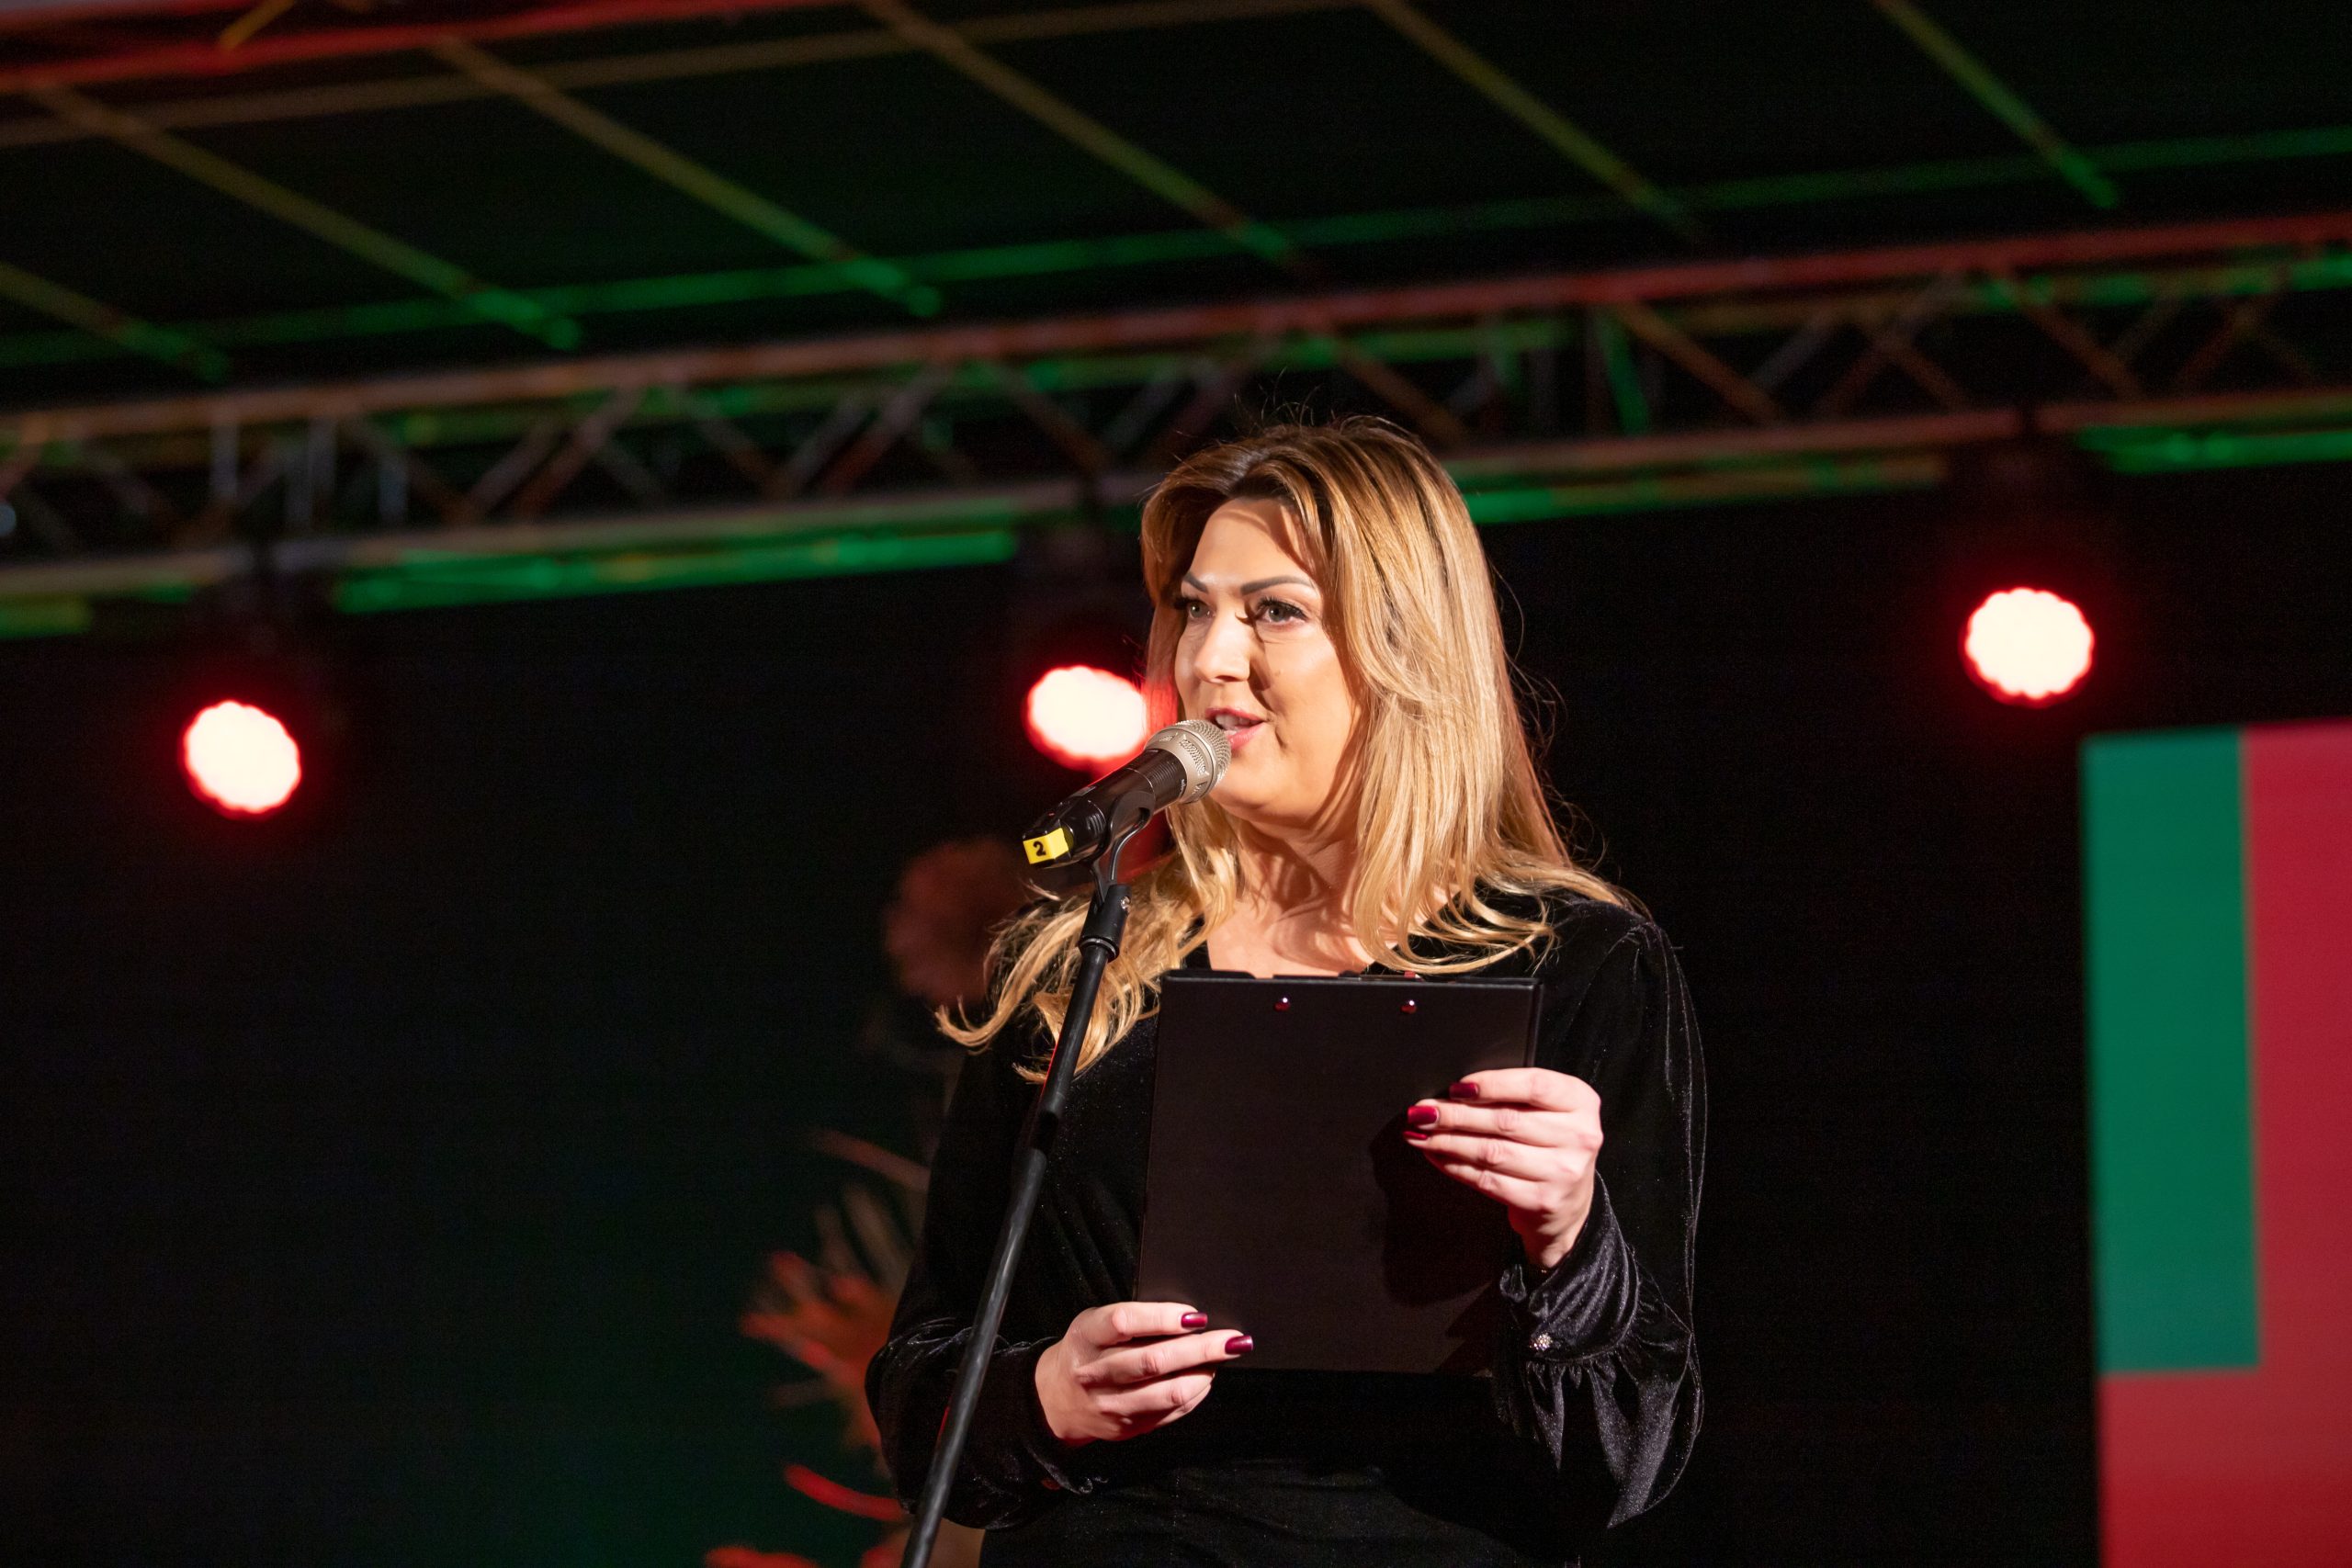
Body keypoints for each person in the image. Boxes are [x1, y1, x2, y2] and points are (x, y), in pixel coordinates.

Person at [867, 417, 1705, 1567]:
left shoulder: (1575, 962)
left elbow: (1629, 1456)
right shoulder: (1078, 965)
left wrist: (1570, 1241)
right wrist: (1045, 1395)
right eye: (1193, 608)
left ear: (1403, 650)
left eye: (1274, 612)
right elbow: (922, 1395)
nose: (1208, 657)